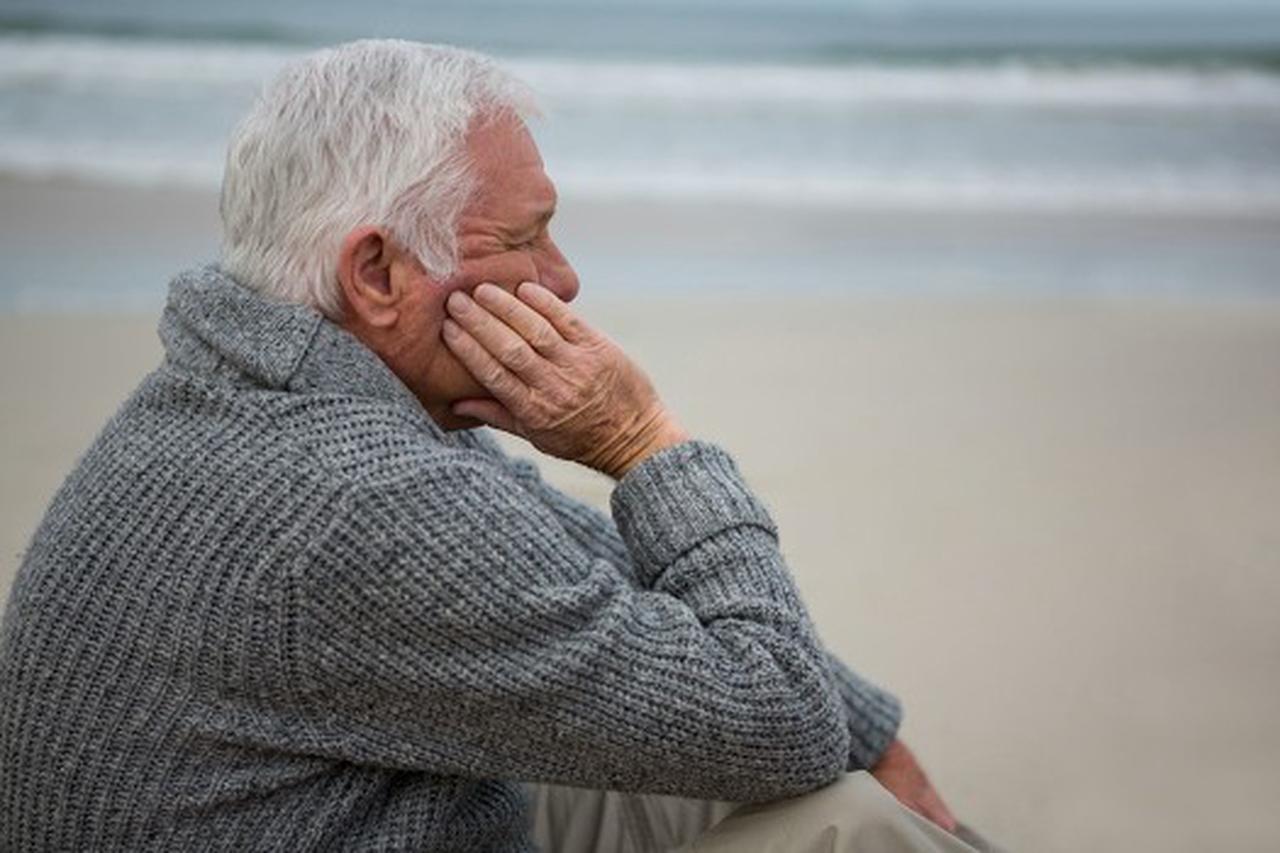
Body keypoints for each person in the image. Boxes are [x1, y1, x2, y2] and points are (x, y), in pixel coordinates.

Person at [0, 40, 1001, 852]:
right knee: (849, 826)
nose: (561, 280)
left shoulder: (248, 382)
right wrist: (645, 444)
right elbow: (782, 721)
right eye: (522, 239)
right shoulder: (364, 498)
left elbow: (561, 560)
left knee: (833, 784)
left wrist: (874, 730)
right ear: (379, 272)